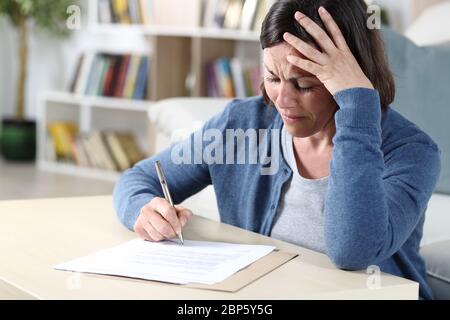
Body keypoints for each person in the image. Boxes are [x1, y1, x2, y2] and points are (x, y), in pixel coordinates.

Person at [113, 0, 441, 299]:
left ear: (350, 78)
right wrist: (142, 210)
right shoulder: (240, 126)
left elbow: (352, 251)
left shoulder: (412, 152)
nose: (282, 101)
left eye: (304, 85)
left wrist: (357, 106)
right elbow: (139, 179)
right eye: (272, 76)